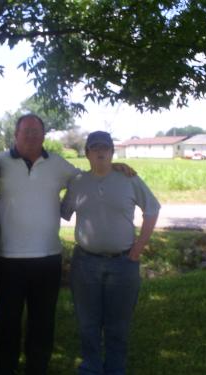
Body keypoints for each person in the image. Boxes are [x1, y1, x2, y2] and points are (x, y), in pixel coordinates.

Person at [0, 115, 135, 375]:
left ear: (43, 135)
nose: (31, 136)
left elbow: (89, 177)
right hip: (7, 258)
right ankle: (5, 369)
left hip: (48, 257)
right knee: (8, 322)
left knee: (42, 323)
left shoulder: (58, 164)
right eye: (26, 131)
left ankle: (37, 368)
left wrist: (113, 165)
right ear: (16, 135)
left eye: (36, 132)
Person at [61, 131, 160, 375]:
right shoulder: (78, 182)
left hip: (123, 263)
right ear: (87, 153)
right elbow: (63, 212)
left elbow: (152, 209)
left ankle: (116, 369)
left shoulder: (129, 179)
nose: (100, 152)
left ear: (113, 152)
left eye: (105, 147)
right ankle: (91, 368)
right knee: (87, 324)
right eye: (94, 148)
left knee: (118, 326)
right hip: (85, 263)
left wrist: (139, 247)